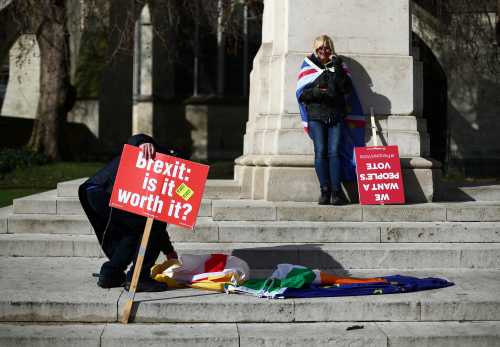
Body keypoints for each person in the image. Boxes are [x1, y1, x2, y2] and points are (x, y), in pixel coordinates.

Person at [79, 134, 178, 292]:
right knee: (153, 227)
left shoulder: (161, 173)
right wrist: (143, 142)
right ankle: (139, 278)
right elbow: (135, 139)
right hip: (107, 191)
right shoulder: (163, 158)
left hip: (96, 191)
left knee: (136, 230)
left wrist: (168, 250)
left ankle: (111, 274)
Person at [296, 34, 353, 205]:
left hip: (335, 115)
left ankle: (336, 192)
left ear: (331, 49)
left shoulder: (339, 65)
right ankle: (325, 190)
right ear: (315, 49)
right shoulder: (309, 66)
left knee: (334, 152)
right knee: (320, 152)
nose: (323, 51)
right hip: (316, 116)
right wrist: (317, 92)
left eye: (327, 48)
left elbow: (345, 88)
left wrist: (337, 66)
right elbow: (302, 94)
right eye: (320, 48)